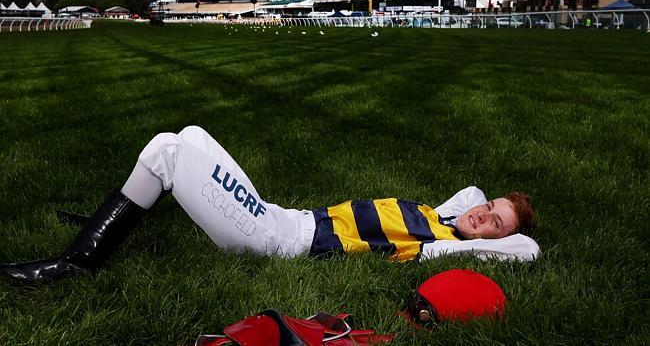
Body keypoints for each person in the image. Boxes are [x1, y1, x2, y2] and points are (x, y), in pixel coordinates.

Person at [1, 126, 540, 283]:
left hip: (277, 241)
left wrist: (494, 235)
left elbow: (526, 249)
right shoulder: (441, 214)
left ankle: (79, 260)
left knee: (173, 149)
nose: (481, 215)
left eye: (493, 223)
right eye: (488, 207)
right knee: (178, 138)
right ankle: (103, 226)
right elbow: (470, 196)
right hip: (287, 218)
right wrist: (490, 207)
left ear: (496, 239)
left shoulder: (442, 246)